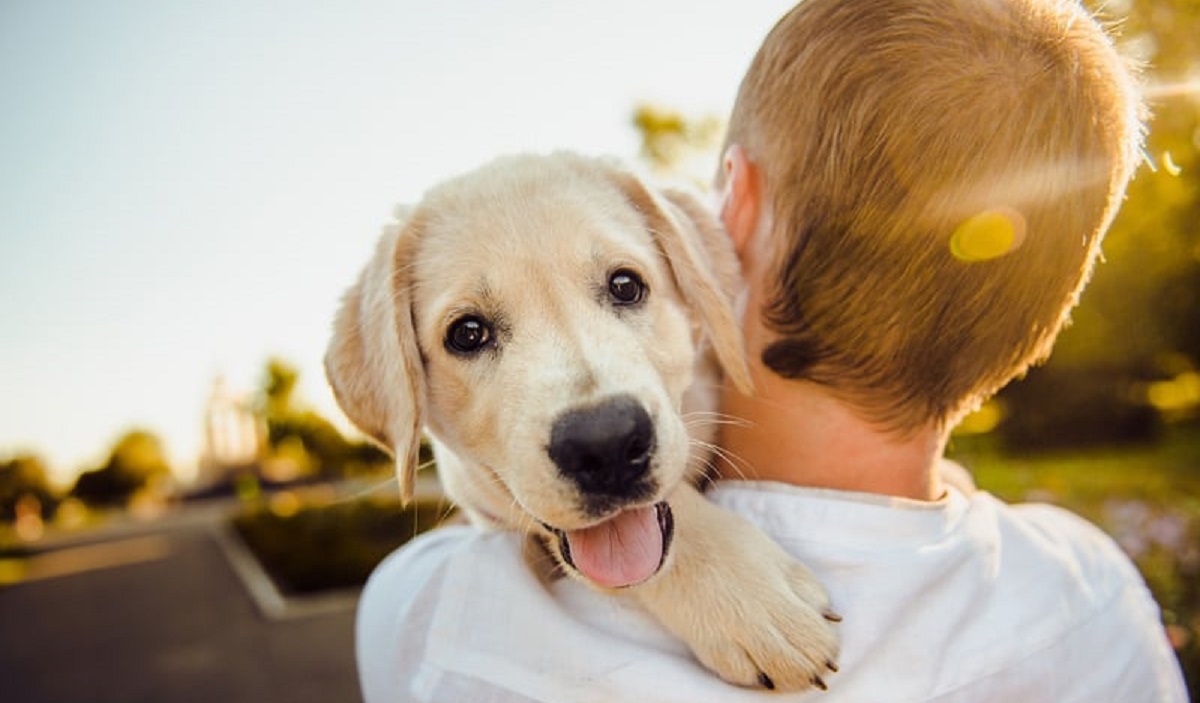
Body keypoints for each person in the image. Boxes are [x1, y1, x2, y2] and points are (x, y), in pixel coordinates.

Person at [355, 0, 1188, 700]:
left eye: (623, 287)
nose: (594, 402)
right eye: (472, 334)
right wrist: (686, 554)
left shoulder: (434, 619)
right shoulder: (1097, 597)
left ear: (731, 212)